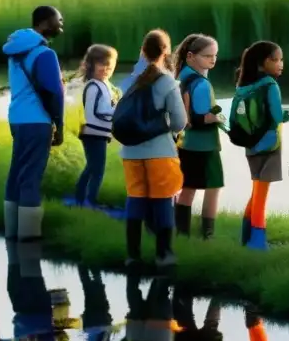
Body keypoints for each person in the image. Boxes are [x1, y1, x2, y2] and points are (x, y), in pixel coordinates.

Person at [120, 30, 187, 268]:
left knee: (135, 199)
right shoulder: (166, 81)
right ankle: (163, 254)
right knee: (162, 201)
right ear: (165, 51)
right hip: (160, 152)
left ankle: (132, 256)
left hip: (130, 152)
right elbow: (180, 122)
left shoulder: (129, 80)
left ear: (142, 51)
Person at [1, 6, 65, 242]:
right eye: (58, 20)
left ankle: (12, 235)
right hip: (37, 122)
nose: (61, 25)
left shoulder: (17, 50)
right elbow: (53, 92)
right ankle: (28, 239)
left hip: (17, 118)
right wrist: (58, 123)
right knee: (31, 177)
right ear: (44, 22)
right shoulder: (45, 54)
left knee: (16, 173)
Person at [232, 41, 289, 251]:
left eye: (281, 59)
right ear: (264, 62)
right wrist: (284, 116)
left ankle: (245, 237)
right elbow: (276, 116)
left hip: (250, 144)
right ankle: (257, 241)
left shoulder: (243, 85)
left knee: (256, 188)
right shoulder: (270, 85)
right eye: (276, 59)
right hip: (270, 145)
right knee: (261, 193)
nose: (281, 64)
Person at [174, 34, 225, 240]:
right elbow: (200, 117)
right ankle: (208, 234)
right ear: (190, 56)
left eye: (215, 55)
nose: (212, 60)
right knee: (213, 187)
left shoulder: (181, 77)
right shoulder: (202, 84)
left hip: (185, 142)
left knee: (187, 188)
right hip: (204, 144)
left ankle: (182, 233)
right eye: (207, 56)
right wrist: (219, 117)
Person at [75, 44, 118, 207]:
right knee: (96, 169)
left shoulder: (105, 84)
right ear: (92, 65)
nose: (106, 69)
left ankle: (81, 197)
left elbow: (105, 108)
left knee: (92, 167)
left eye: (110, 66)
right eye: (102, 64)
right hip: (92, 133)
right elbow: (98, 111)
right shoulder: (93, 85)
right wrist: (117, 111)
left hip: (100, 133)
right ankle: (90, 200)